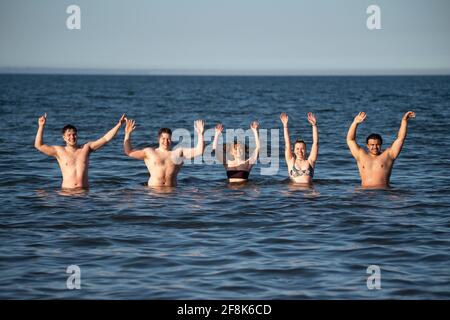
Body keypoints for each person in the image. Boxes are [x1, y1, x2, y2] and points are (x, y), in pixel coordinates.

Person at [34, 113, 126, 189]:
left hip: (84, 195)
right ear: (64, 138)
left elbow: (105, 138)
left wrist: (119, 125)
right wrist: (41, 126)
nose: (72, 137)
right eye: (69, 135)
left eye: (74, 134)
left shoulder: (86, 148)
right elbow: (39, 145)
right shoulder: (59, 151)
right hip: (67, 195)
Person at [123, 119, 205, 187]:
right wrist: (127, 134)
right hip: (153, 194)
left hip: (173, 194)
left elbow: (199, 150)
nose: (166, 141)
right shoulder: (149, 152)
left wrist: (201, 134)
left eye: (168, 139)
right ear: (158, 139)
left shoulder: (179, 152)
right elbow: (129, 152)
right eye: (163, 138)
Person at [346, 111, 416, 188]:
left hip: (383, 194)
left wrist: (404, 120)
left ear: (381, 145)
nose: (375, 147)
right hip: (365, 194)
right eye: (372, 145)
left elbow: (400, 138)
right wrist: (355, 123)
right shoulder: (361, 155)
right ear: (367, 146)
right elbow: (350, 140)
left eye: (377, 144)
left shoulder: (389, 155)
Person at [280, 112, 318, 185]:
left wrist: (314, 125)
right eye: (297, 149)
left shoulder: (310, 161)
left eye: (302, 148)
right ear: (294, 150)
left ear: (306, 150)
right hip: (293, 194)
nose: (300, 151)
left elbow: (315, 143)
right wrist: (285, 125)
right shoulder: (291, 161)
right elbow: (287, 143)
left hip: (308, 193)